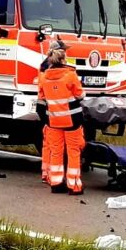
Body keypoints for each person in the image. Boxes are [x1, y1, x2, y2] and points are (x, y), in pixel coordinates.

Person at [37, 44, 85, 194]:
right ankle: (74, 185)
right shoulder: (70, 75)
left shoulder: (44, 78)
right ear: (63, 59)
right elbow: (80, 95)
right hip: (72, 121)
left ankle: (56, 183)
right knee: (73, 152)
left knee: (56, 152)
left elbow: (41, 100)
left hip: (53, 122)